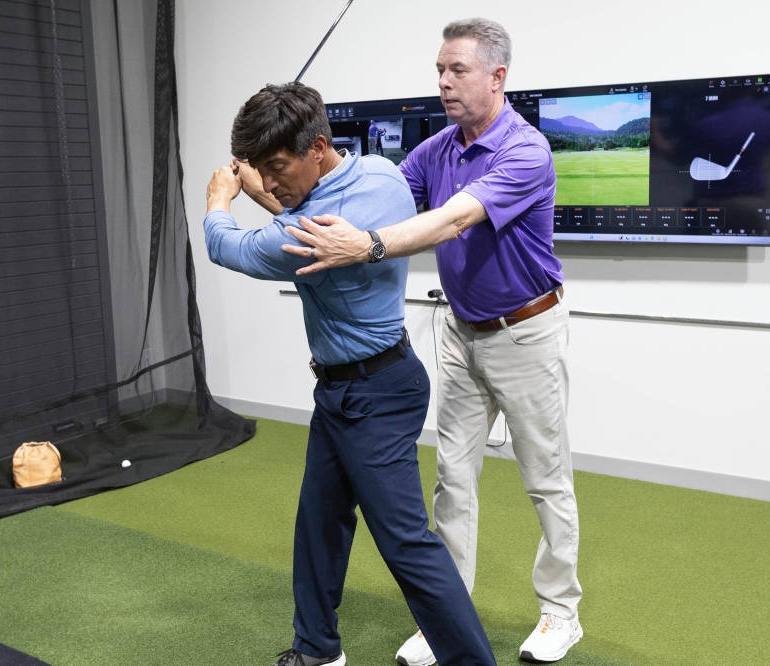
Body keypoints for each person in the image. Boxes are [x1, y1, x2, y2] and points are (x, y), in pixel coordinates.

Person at [273, 19, 584, 665]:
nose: (443, 82)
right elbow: (377, 197)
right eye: (440, 70)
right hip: (461, 330)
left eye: (458, 71)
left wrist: (370, 244)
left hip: (526, 330)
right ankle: (449, 617)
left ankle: (561, 613)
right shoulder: (437, 148)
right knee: (452, 481)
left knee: (545, 480)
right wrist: (290, 161)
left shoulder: (525, 151)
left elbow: (451, 220)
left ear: (497, 77)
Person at [203, 81, 497, 666]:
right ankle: (317, 650)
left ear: (317, 146)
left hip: (374, 394)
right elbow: (297, 204)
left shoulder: (301, 231)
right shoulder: (383, 177)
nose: (272, 180)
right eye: (262, 169)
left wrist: (220, 196)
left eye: (278, 165)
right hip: (350, 389)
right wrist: (269, 184)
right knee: (319, 522)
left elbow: (227, 246)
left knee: (407, 545)